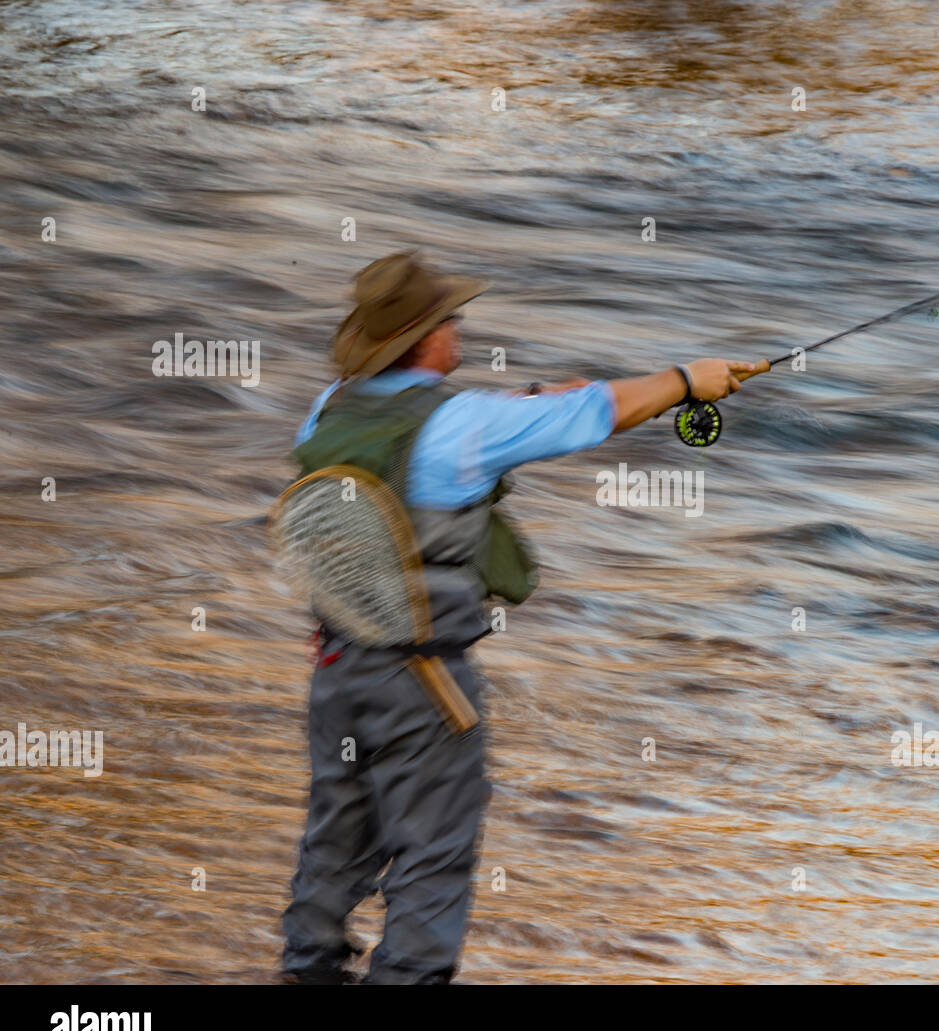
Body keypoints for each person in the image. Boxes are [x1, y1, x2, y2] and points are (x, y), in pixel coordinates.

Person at [281, 251, 753, 983]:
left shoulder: (328, 408)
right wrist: (690, 381)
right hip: (424, 684)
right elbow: (596, 414)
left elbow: (448, 430)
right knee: (433, 856)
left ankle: (304, 969)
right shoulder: (466, 425)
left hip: (336, 670)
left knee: (333, 841)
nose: (461, 325)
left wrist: (529, 399)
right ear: (426, 335)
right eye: (451, 317)